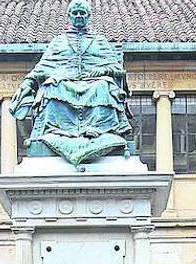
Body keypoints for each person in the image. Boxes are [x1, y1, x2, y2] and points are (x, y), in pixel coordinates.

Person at [8, 0, 134, 165]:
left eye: (82, 13)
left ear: (88, 16)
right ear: (69, 16)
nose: (79, 16)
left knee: (104, 86)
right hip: (65, 83)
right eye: (75, 13)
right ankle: (56, 131)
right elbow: (43, 67)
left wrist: (104, 71)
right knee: (51, 86)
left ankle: (97, 129)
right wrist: (28, 83)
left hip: (94, 82)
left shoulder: (100, 41)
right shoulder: (58, 42)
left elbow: (117, 70)